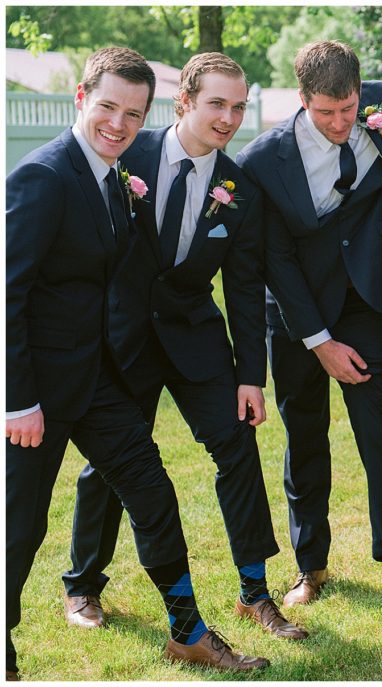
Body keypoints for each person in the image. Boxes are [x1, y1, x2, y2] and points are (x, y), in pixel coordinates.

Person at [6, 46, 267, 677]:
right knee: (18, 527)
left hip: (97, 380)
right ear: (81, 99)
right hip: (37, 393)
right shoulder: (44, 176)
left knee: (152, 492)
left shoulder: (110, 178)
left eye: (132, 113)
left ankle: (187, 632)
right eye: (108, 108)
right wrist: (17, 401)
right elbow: (6, 292)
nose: (119, 124)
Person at [60, 52, 304, 641]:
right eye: (217, 104)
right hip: (121, 339)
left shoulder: (239, 187)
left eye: (239, 107)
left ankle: (255, 593)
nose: (228, 118)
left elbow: (244, 287)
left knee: (238, 449)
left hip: (196, 336)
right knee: (110, 463)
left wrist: (251, 375)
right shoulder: (125, 155)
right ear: (184, 102)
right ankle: (83, 585)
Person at [236, 41, 382, 620]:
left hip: (364, 301)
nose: (339, 123)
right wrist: (319, 342)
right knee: (305, 436)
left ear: (361, 92)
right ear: (302, 99)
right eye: (325, 112)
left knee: (381, 433)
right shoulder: (262, 161)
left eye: (349, 109)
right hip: (297, 314)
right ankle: (311, 565)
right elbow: (276, 261)